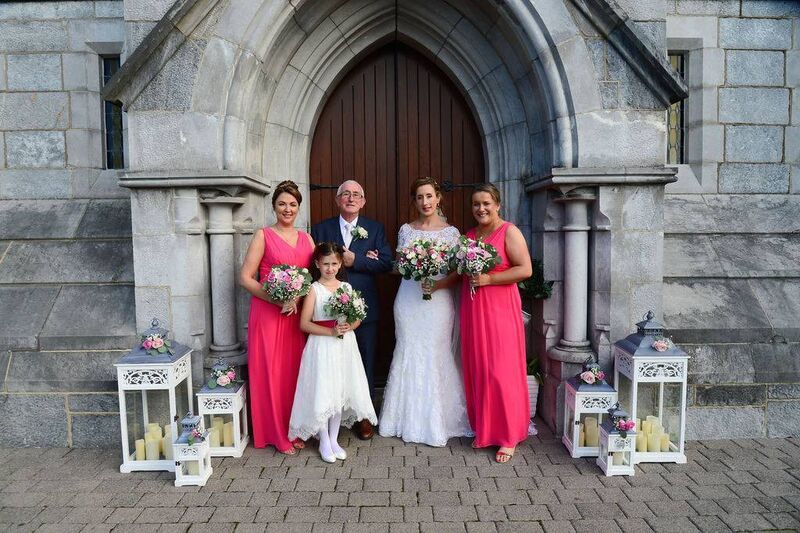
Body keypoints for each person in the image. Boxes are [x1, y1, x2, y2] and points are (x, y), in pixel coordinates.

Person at [379, 177, 472, 446]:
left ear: (438, 197)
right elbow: (398, 265)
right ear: (415, 201)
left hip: (439, 300)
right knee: (408, 349)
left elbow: (458, 270)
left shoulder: (451, 233)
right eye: (420, 197)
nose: (425, 202)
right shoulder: (406, 230)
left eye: (429, 196)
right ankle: (401, 419)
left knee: (436, 351)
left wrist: (438, 283)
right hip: (409, 298)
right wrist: (409, 267)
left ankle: (439, 421)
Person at [311, 180, 392, 439]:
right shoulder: (322, 229)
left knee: (364, 363)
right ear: (337, 200)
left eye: (356, 194)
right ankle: (329, 415)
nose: (351, 197)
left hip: (363, 309)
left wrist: (356, 260)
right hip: (326, 311)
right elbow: (312, 264)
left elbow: (385, 263)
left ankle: (363, 417)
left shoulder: (374, 229)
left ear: (363, 201)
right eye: (345, 194)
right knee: (331, 364)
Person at [239, 180, 314, 455]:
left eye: (292, 204)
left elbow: (311, 278)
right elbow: (245, 278)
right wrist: (277, 298)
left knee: (294, 372)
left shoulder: (307, 239)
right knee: (271, 371)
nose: (287, 209)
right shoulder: (263, 235)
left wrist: (297, 298)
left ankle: (294, 428)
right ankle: (275, 433)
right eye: (282, 203)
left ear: (299, 208)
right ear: (273, 206)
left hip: (296, 316)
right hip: (269, 313)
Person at [460, 183, 532, 463]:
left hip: (500, 308)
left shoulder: (509, 231)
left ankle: (509, 436)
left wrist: (489, 279)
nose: (481, 209)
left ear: (498, 204)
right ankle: (487, 430)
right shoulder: (470, 236)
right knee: (480, 367)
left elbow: (524, 269)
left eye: (486, 203)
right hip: (474, 308)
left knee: (502, 370)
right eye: (476, 204)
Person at [289, 242, 377, 462]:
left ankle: (334, 438)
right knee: (324, 390)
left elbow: (357, 317)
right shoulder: (314, 289)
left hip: (344, 346)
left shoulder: (346, 288)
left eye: (334, 264)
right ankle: (324, 442)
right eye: (326, 264)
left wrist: (351, 326)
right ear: (317, 264)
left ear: (340, 264)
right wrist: (330, 332)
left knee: (339, 389)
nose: (330, 268)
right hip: (322, 345)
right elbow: (304, 324)